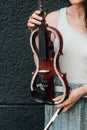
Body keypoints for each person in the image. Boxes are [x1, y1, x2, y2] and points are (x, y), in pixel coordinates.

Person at [27, 0, 87, 130]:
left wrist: (82, 91)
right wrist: (37, 34)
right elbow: (42, 68)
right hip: (60, 102)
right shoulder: (53, 19)